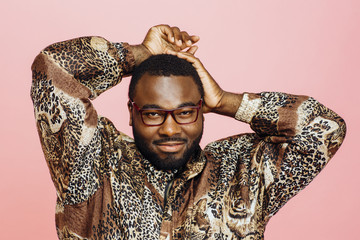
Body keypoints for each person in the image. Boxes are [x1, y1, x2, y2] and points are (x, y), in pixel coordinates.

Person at [31, 25, 346, 240]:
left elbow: (325, 128)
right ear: (132, 113)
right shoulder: (92, 163)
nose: (170, 129)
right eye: (153, 114)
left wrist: (227, 101)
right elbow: (52, 70)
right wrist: (139, 53)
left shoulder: (242, 173)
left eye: (184, 112)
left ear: (200, 110)